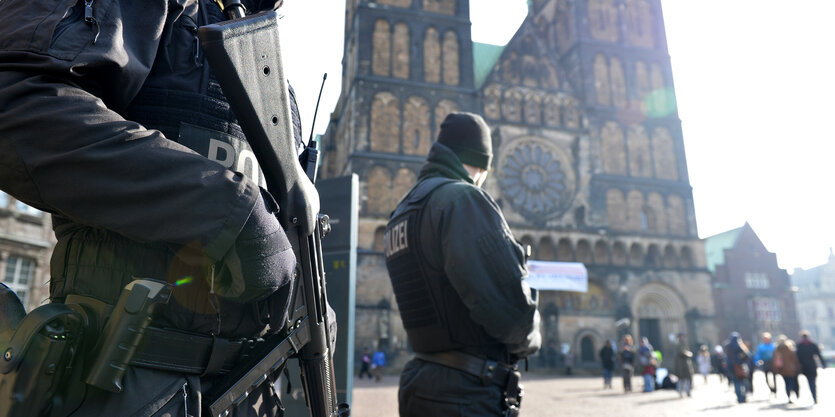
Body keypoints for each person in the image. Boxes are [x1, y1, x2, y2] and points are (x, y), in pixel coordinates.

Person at [0, 1, 304, 416]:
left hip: (248, 389)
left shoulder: (270, 55)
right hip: (122, 381)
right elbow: (15, 100)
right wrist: (225, 211)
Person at [384, 112, 541, 417]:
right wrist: (533, 332)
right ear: (483, 164)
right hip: (468, 393)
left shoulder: (402, 212)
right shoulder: (462, 200)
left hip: (422, 385)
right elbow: (512, 317)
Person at [796, 330, 826, 404]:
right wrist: (823, 364)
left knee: (810, 382)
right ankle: (814, 397)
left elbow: (797, 357)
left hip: (804, 367)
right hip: (812, 366)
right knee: (813, 382)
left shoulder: (799, 345)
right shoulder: (812, 344)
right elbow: (818, 355)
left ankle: (813, 396)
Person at [773, 335, 801, 404]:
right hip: (791, 369)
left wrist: (776, 369)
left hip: (782, 370)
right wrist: (798, 367)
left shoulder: (777, 349)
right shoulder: (789, 348)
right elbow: (795, 359)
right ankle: (795, 393)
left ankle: (789, 396)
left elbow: (774, 361)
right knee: (793, 383)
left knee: (786, 383)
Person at [725, 332, 750, 403]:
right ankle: (743, 397)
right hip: (739, 366)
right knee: (742, 382)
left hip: (730, 367)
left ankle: (739, 398)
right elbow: (747, 355)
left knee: (736, 382)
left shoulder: (727, 346)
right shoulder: (739, 345)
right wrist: (741, 360)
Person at [673, 333, 694, 397]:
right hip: (681, 365)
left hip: (686, 364)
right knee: (681, 379)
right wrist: (689, 354)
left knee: (687, 379)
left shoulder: (684, 344)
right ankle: (680, 392)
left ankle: (688, 392)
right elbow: (682, 352)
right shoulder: (678, 344)